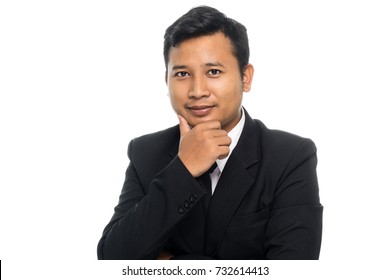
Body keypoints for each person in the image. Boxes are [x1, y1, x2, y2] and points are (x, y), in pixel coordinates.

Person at [97, 5, 323, 260]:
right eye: (182, 73)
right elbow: (112, 259)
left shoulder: (290, 156)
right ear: (166, 81)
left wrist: (170, 262)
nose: (197, 90)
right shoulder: (145, 152)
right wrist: (181, 171)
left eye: (213, 72)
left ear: (245, 77)